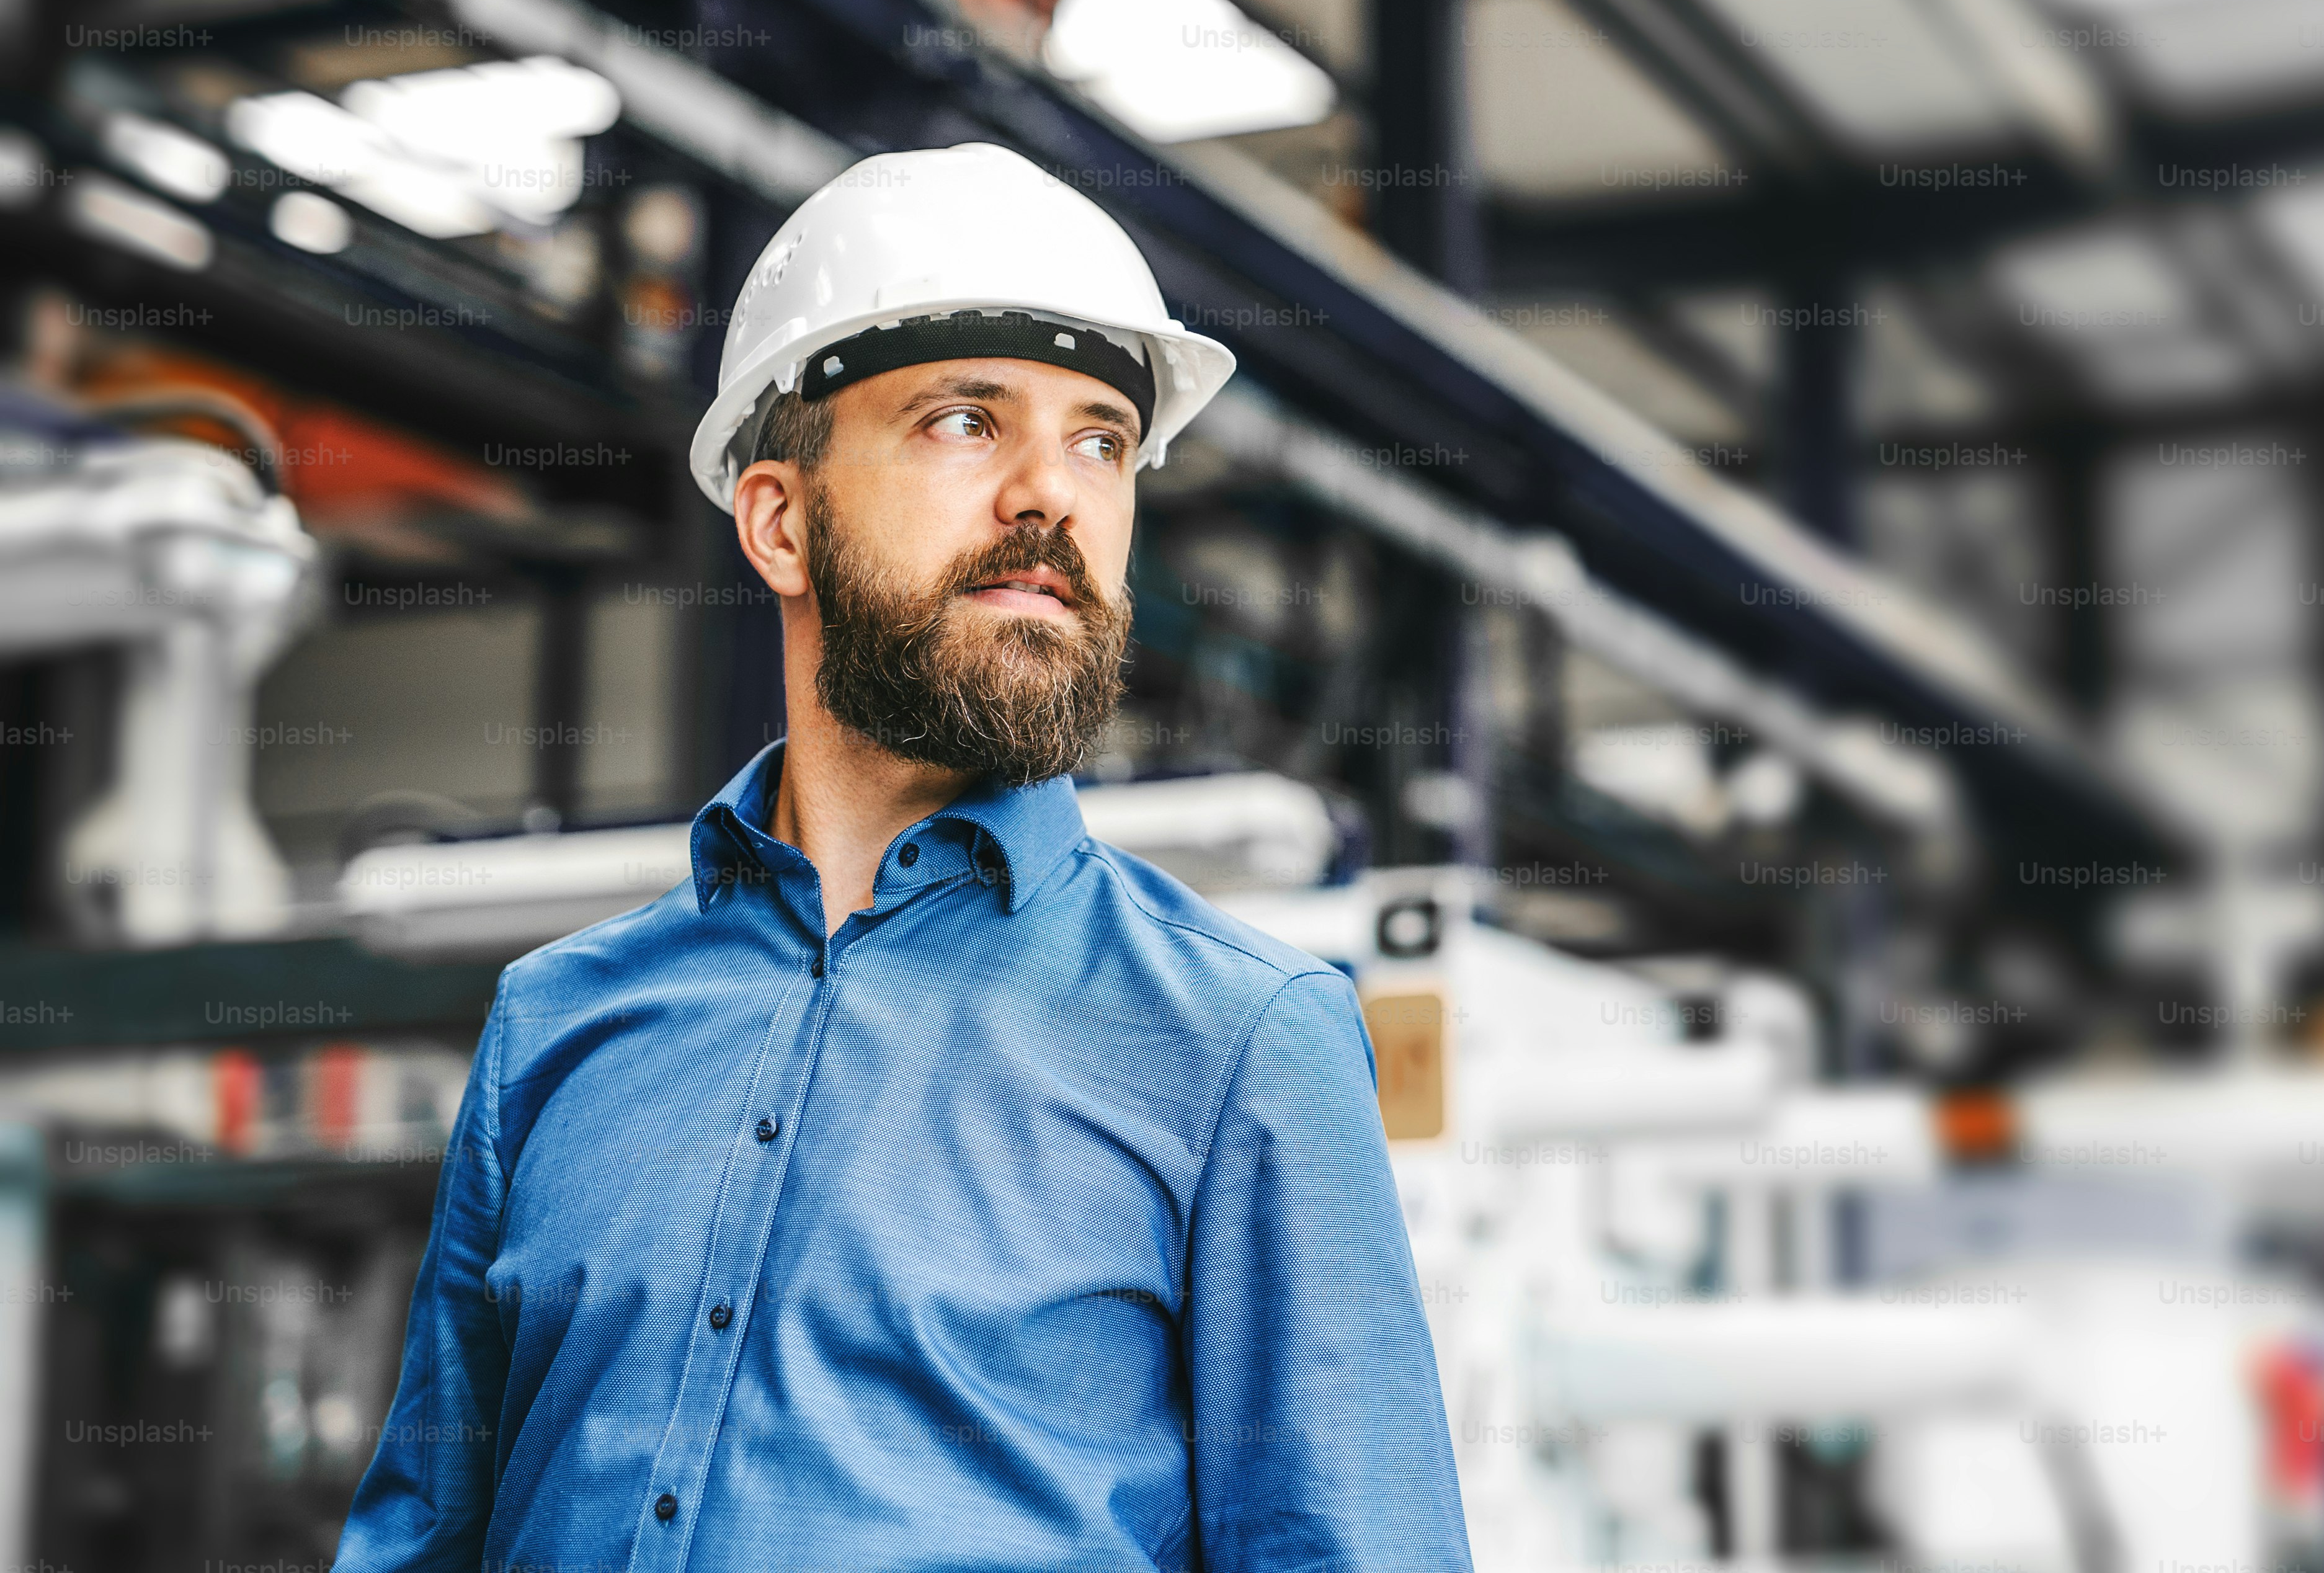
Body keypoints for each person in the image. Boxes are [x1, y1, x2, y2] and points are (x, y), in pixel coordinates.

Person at [334, 145, 1472, 1571]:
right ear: (778, 520)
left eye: (1103, 440)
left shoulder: (1239, 1039)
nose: (1047, 496)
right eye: (962, 422)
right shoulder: (555, 1025)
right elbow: (416, 1542)